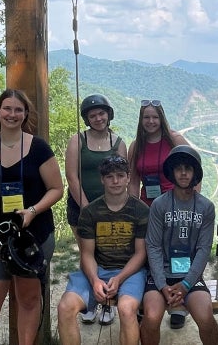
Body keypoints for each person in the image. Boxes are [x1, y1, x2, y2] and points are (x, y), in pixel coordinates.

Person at [0, 89, 64, 345]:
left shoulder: (39, 147)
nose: (12, 114)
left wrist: (32, 210)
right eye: (7, 108)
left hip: (32, 238)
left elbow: (56, 188)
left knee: (29, 301)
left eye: (18, 109)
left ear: (25, 114)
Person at [56, 155, 150, 345]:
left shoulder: (141, 210)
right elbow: (87, 254)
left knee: (126, 308)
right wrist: (95, 280)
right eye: (109, 176)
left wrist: (120, 277)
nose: (115, 181)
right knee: (65, 307)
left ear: (128, 177)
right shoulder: (90, 212)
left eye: (120, 176)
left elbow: (141, 253)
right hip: (97, 269)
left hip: (130, 271)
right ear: (102, 179)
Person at [140, 145, 218, 345]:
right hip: (161, 275)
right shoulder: (159, 204)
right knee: (151, 317)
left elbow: (203, 249)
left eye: (188, 168)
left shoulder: (206, 207)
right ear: (172, 172)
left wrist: (186, 285)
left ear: (195, 173)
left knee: (206, 317)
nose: (183, 173)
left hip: (190, 276)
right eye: (178, 169)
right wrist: (161, 285)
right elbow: (154, 246)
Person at [127, 98, 191, 328]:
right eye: (147, 117)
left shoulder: (174, 139)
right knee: (146, 253)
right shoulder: (136, 146)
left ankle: (178, 304)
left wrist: (188, 201)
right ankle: (146, 301)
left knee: (176, 251)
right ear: (141, 120)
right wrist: (134, 207)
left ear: (161, 118)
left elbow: (193, 169)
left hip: (175, 204)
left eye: (155, 117)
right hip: (147, 207)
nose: (151, 121)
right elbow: (134, 180)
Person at [65, 94, 127, 324]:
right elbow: (72, 176)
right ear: (87, 118)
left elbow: (123, 176)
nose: (98, 118)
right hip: (81, 206)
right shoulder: (78, 140)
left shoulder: (118, 143)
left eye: (101, 113)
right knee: (87, 253)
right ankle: (90, 300)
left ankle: (108, 302)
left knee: (109, 255)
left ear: (108, 115)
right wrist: (86, 207)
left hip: (111, 208)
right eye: (93, 115)